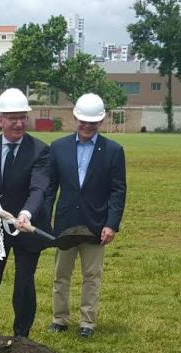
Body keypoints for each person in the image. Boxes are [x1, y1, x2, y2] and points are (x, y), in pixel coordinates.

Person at [0, 88, 51, 339]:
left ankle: (21, 336)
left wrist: (26, 213)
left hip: (26, 225)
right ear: (0, 120)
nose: (18, 123)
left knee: (24, 283)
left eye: (22, 117)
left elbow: (39, 188)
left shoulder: (40, 150)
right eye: (12, 118)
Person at [46, 93, 127, 338]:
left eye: (93, 122)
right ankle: (59, 319)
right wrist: (44, 219)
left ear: (101, 121)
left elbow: (117, 190)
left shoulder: (113, 150)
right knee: (61, 275)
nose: (87, 126)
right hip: (65, 223)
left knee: (92, 276)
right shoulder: (58, 147)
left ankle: (87, 322)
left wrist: (111, 224)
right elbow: (50, 187)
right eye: (83, 121)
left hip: (96, 224)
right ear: (75, 118)